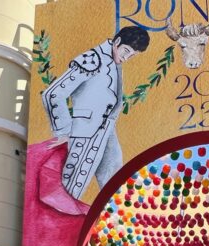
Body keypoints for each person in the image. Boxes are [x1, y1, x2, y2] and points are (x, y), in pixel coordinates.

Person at [40, 26, 150, 214]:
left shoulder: (114, 63)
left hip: (105, 134)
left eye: (132, 55)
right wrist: (64, 131)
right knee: (67, 193)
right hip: (82, 136)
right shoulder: (92, 59)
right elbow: (53, 93)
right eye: (126, 51)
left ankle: (119, 227)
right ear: (116, 42)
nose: (126, 58)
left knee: (115, 185)